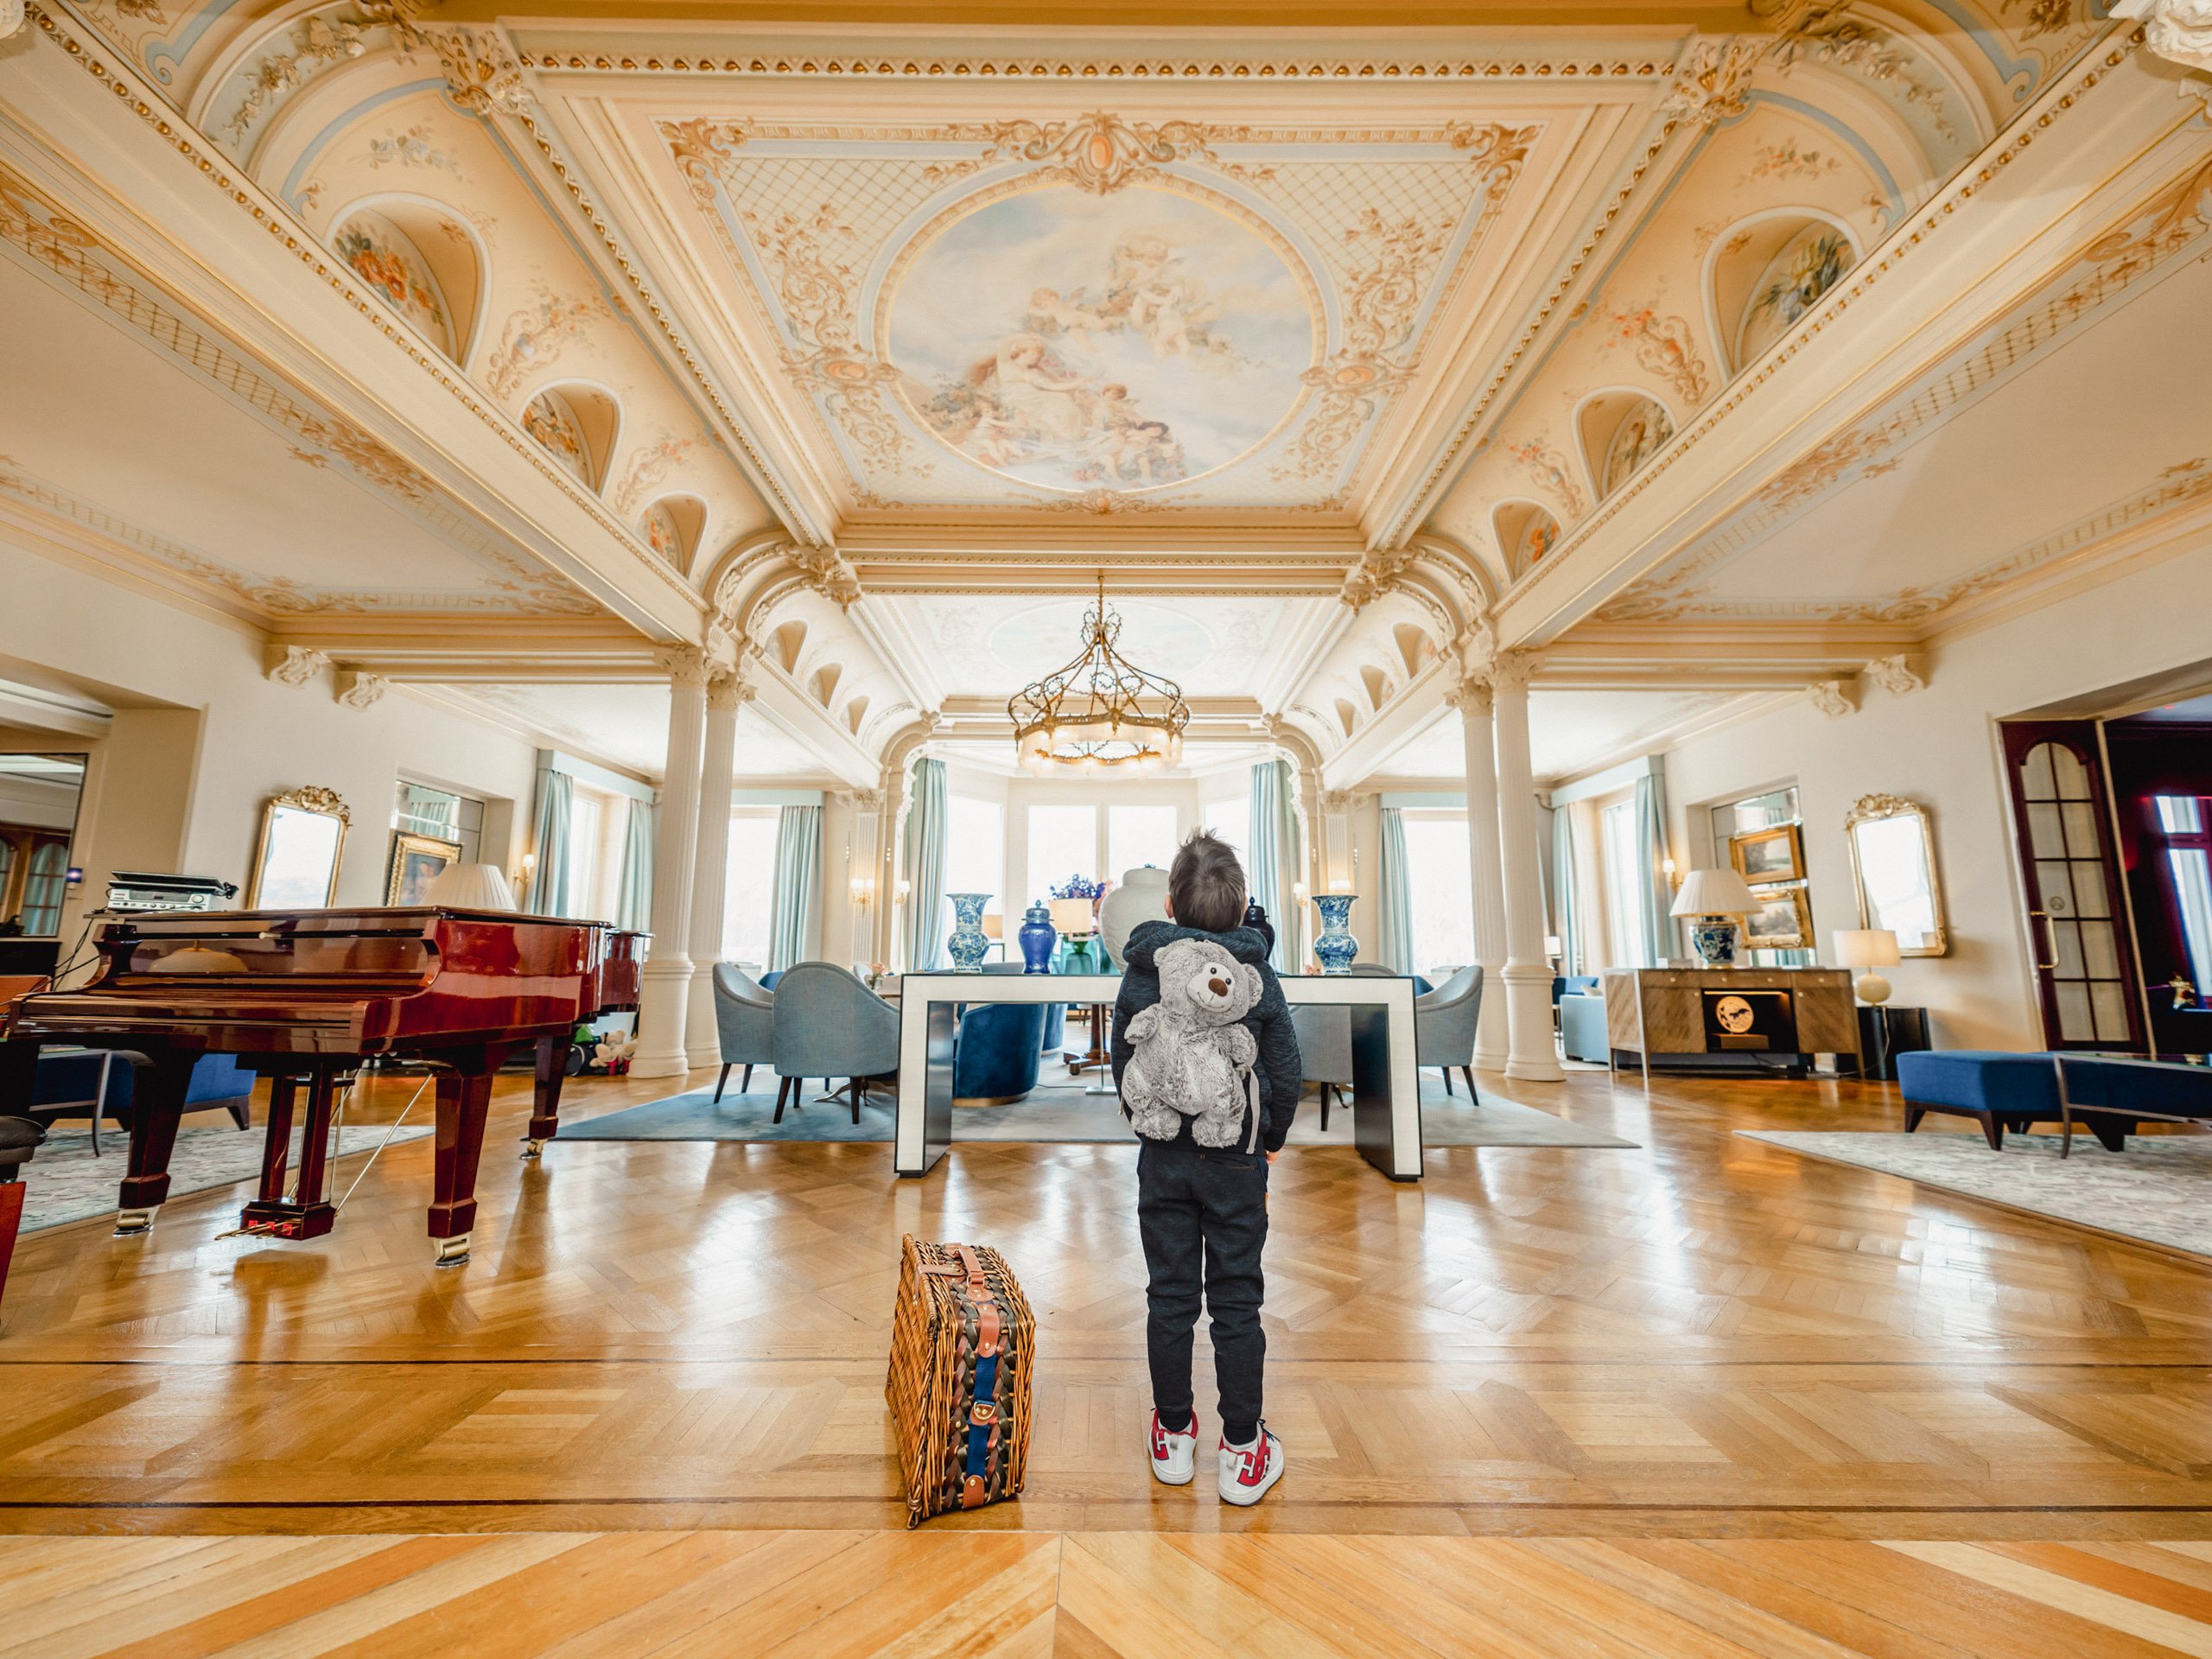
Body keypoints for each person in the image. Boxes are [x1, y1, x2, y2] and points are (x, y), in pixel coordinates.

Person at [1110, 830, 1301, 1506]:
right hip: (1236, 1162)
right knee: (1236, 1301)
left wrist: (1142, 1123)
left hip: (1162, 1160)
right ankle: (1244, 1451)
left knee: (1169, 1296)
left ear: (1168, 903)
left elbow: (1122, 1057)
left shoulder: (1145, 966)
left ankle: (1172, 1435)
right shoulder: (1255, 973)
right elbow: (1284, 1063)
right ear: (1244, 905)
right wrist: (1272, 1136)